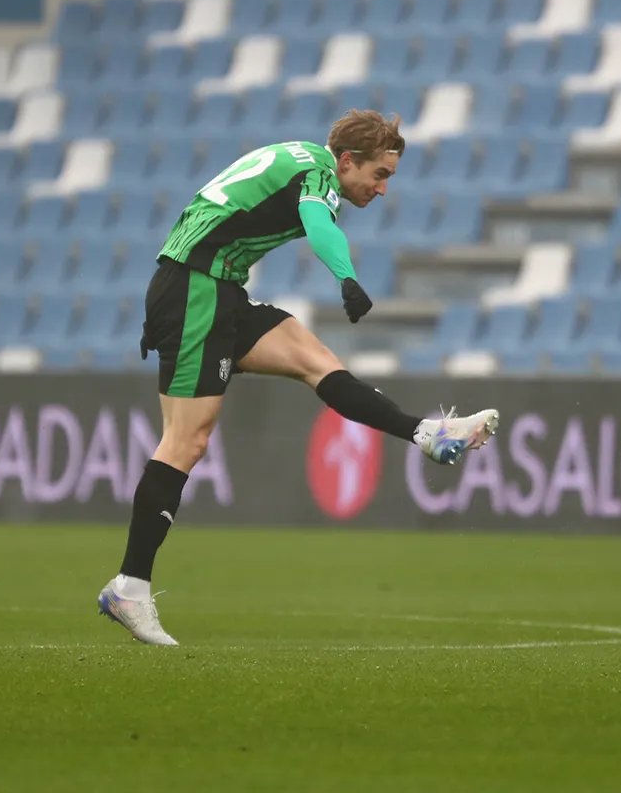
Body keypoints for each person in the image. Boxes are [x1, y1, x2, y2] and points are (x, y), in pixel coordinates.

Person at [99, 110, 499, 646]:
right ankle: (130, 586)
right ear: (348, 160)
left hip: (216, 289)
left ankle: (428, 434)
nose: (381, 190)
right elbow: (317, 220)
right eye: (379, 175)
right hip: (196, 288)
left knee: (317, 362)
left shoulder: (300, 158)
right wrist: (347, 278)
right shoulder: (317, 170)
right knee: (185, 441)